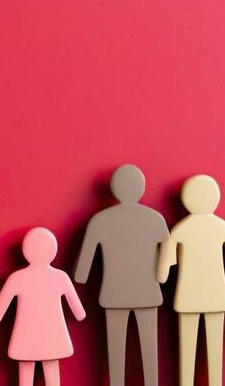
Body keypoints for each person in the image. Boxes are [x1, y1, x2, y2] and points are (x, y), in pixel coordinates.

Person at [77, 165, 170, 386]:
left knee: (115, 355)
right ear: (141, 188)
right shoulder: (155, 219)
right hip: (148, 293)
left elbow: (82, 269)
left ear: (114, 189)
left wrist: (81, 276)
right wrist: (161, 275)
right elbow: (169, 257)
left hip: (113, 294)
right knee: (150, 355)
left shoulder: (100, 220)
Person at [159, 175, 225, 386]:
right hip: (216, 296)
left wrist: (160, 276)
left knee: (186, 356)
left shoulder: (180, 229)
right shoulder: (222, 227)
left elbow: (163, 271)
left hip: (187, 297)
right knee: (215, 355)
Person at [0, 227, 88, 386]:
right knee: (51, 373)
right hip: (52, 336)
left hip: (25, 336)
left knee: (26, 375)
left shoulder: (17, 278)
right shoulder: (60, 277)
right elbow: (79, 313)